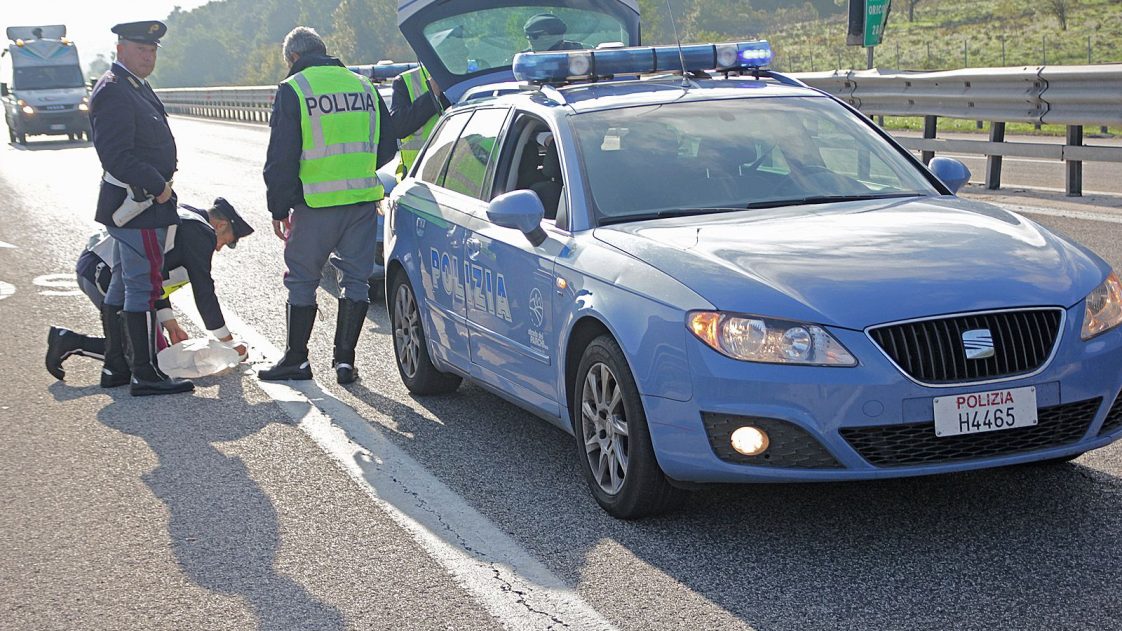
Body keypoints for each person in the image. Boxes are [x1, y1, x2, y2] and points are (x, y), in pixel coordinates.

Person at [261, 27, 398, 384]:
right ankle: (345, 362)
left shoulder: (295, 89)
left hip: (316, 202)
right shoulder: (364, 87)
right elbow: (387, 147)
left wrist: (278, 207)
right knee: (356, 280)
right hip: (362, 200)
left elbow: (281, 156)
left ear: (293, 58)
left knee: (302, 280)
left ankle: (296, 360)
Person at [89, 20, 193, 396]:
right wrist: (158, 185)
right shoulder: (115, 90)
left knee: (121, 285)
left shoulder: (133, 85)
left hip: (142, 204)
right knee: (144, 287)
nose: (148, 57)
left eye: (151, 51)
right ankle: (145, 373)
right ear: (120, 50)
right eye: (140, 50)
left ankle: (117, 365)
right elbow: (116, 155)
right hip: (138, 205)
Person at [46, 199, 254, 382]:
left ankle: (86, 350)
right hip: (104, 272)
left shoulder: (186, 215)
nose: (217, 248)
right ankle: (69, 341)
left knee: (153, 343)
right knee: (147, 355)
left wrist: (171, 325)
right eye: (224, 242)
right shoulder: (201, 231)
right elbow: (204, 289)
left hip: (98, 266)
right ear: (220, 225)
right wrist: (228, 341)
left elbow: (156, 274)